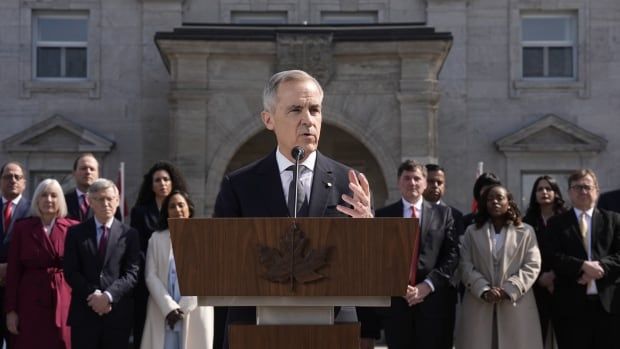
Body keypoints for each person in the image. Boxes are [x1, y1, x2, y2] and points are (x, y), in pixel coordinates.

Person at [213, 69, 373, 349]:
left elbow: (370, 267)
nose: (308, 120)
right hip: (256, 328)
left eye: (315, 110)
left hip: (331, 328)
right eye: (296, 109)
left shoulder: (349, 182)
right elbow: (221, 261)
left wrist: (369, 229)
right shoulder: (239, 185)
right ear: (268, 119)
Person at [358, 160, 458, 349]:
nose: (412, 183)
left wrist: (426, 286)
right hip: (397, 304)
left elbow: (451, 255)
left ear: (425, 182)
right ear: (399, 182)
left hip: (432, 303)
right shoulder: (383, 215)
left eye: (417, 178)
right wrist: (398, 285)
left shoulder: (443, 214)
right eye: (407, 178)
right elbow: (377, 255)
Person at [456, 184, 542, 349]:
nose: (494, 202)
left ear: (509, 202)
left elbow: (533, 264)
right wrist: (483, 289)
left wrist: (509, 289)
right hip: (479, 301)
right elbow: (464, 264)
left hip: (515, 302)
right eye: (490, 199)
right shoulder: (471, 232)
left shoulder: (526, 231)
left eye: (499, 198)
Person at [547, 169, 620, 349]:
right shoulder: (556, 223)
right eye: (577, 187)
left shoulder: (614, 220)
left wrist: (600, 267)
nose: (583, 191)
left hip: (609, 307)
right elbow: (552, 257)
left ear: (597, 190)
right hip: (570, 308)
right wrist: (582, 266)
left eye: (587, 187)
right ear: (569, 192)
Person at [64, 178, 140, 349]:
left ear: (117, 200)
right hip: (84, 312)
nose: (106, 203)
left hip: (117, 314)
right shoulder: (75, 233)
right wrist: (94, 295)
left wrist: (108, 296)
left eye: (110, 199)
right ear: (90, 202)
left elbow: (132, 273)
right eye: (100, 199)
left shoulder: (130, 234)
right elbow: (70, 271)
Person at [4, 179, 78, 348]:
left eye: (54, 195)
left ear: (60, 200)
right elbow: (13, 272)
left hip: (63, 298)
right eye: (44, 195)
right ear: (37, 199)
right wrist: (11, 311)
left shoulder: (73, 229)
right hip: (29, 300)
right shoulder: (22, 228)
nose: (49, 200)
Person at [141, 190, 213, 349]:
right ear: (167, 211)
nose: (177, 209)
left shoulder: (203, 236)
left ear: (189, 208)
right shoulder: (156, 238)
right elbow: (150, 276)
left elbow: (206, 276)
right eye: (172, 206)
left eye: (181, 205)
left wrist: (182, 309)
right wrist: (170, 308)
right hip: (163, 310)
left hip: (194, 308)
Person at [131, 161, 188, 348]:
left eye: (166, 179)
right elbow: (137, 246)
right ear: (151, 185)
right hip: (152, 278)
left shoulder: (181, 205)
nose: (162, 183)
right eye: (157, 180)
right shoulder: (141, 212)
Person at [523, 175, 567, 347]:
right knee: (537, 336)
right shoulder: (527, 222)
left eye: (549, 188)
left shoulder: (567, 219)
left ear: (556, 193)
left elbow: (571, 250)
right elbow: (523, 255)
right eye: (540, 189)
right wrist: (540, 277)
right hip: (535, 286)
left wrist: (554, 276)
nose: (544, 192)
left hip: (563, 284)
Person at [0, 162, 30, 347]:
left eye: (17, 177)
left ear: (24, 183)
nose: (12, 180)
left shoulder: (34, 210)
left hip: (20, 293)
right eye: (7, 176)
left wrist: (10, 269)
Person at [64, 153, 121, 222]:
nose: (88, 172)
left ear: (98, 174)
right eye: (83, 168)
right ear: (74, 173)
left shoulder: (110, 201)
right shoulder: (64, 201)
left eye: (92, 169)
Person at [424, 164, 465, 237]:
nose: (435, 185)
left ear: (444, 186)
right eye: (430, 181)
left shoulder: (455, 215)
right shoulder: (412, 211)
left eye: (439, 182)